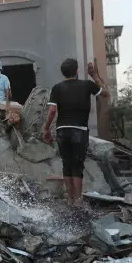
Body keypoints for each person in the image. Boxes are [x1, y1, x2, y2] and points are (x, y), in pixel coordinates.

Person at [44, 59, 109, 205]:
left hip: (62, 130)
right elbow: (105, 93)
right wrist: (94, 76)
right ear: (77, 70)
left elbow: (52, 110)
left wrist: (46, 128)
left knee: (66, 164)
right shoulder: (86, 85)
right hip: (79, 130)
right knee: (77, 165)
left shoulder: (56, 88)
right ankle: (78, 199)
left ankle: (70, 199)